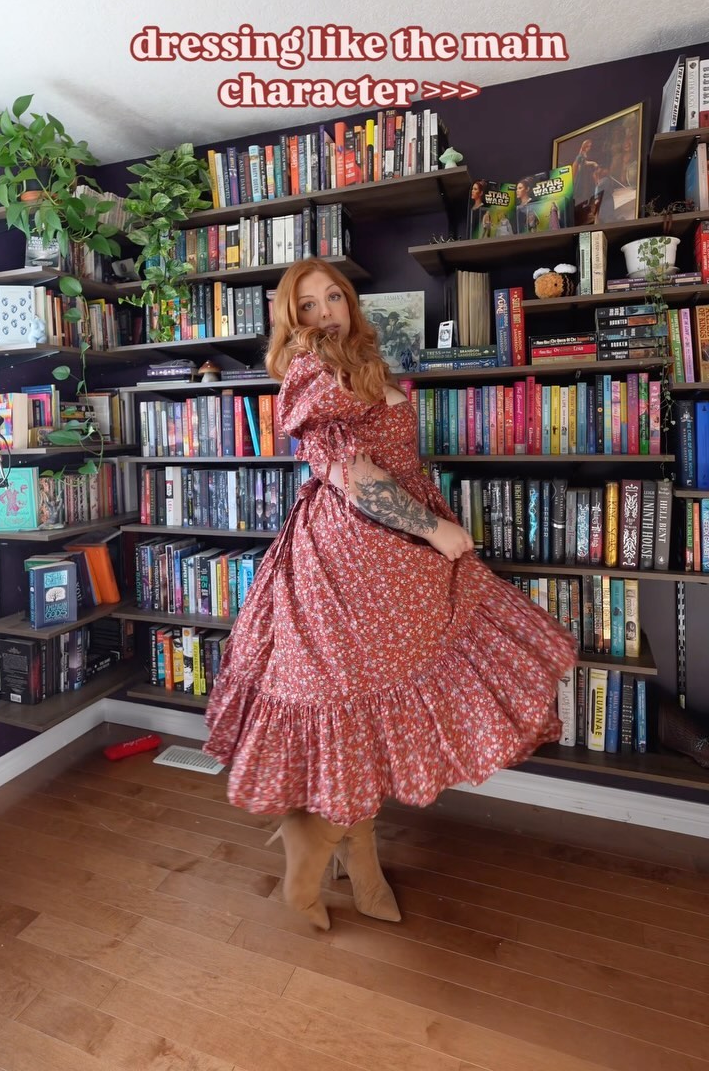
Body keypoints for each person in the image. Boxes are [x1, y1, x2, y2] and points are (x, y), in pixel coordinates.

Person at [203, 257, 578, 931]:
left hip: (389, 560)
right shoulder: (313, 372)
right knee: (352, 707)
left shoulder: (357, 365)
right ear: (291, 319)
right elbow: (354, 476)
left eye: (333, 297)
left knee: (367, 716)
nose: (325, 312)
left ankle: (361, 859)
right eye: (308, 305)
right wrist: (436, 529)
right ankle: (309, 846)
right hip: (353, 561)